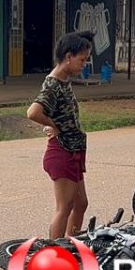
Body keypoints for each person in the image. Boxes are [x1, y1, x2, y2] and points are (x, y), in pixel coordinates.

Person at [26, 31, 94, 239]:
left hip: (73, 150)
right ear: (68, 57)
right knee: (65, 207)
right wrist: (51, 124)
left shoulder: (65, 80)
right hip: (62, 152)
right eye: (82, 59)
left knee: (81, 203)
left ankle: (70, 245)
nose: (84, 64)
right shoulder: (53, 84)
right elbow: (33, 112)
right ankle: (54, 253)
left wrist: (52, 122)